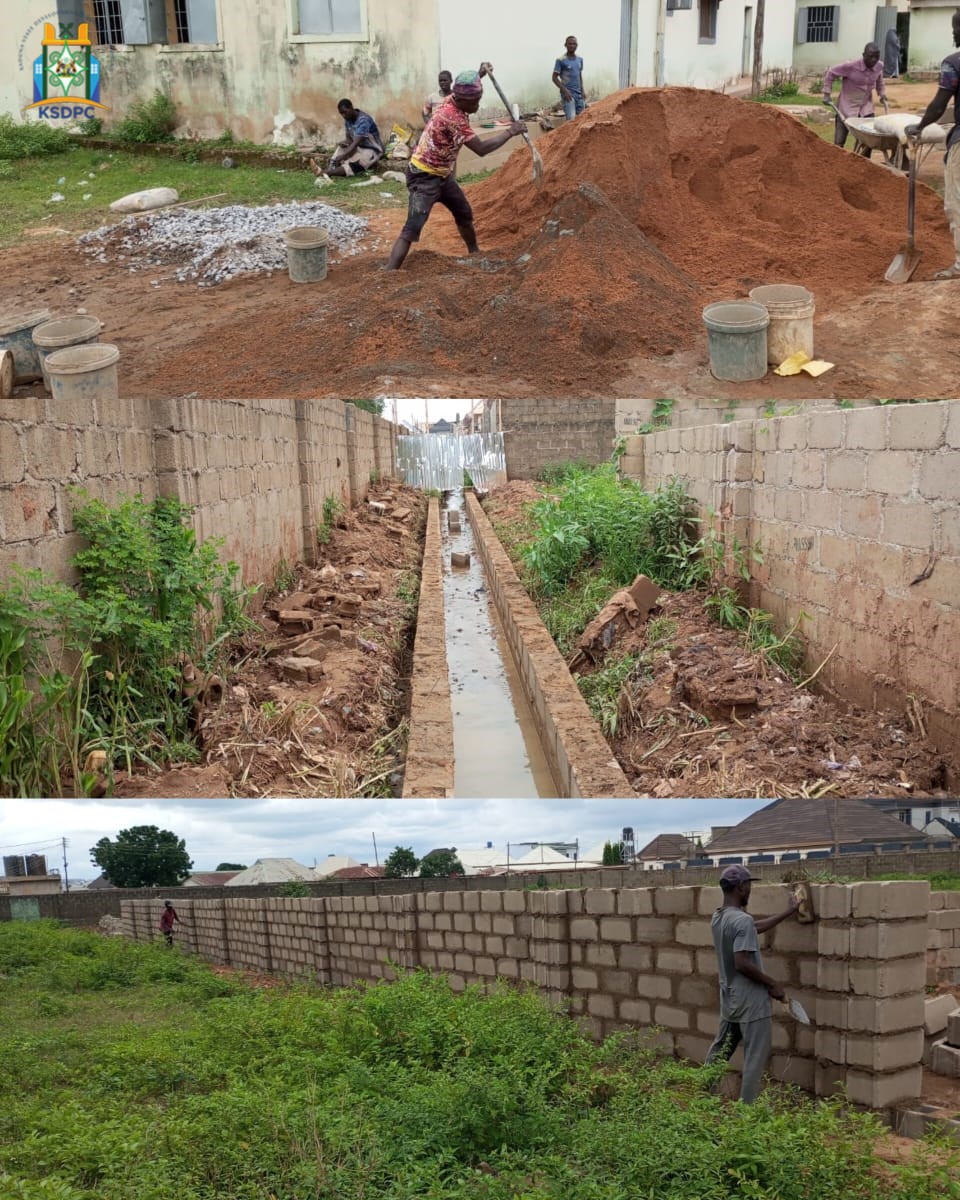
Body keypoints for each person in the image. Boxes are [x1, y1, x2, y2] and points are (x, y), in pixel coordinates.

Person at [386, 65, 527, 271]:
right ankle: (389, 273)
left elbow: (464, 89)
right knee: (412, 227)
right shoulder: (454, 118)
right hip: (423, 177)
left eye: (479, 98)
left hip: (442, 174)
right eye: (475, 101)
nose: (478, 105)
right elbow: (480, 148)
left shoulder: (454, 98)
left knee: (464, 214)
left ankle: (475, 253)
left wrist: (479, 75)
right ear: (462, 100)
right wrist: (510, 132)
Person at [704, 865, 800, 1104]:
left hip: (730, 999)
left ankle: (701, 1097)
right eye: (749, 885)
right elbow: (742, 963)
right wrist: (773, 985)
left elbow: (753, 928)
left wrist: (788, 912)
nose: (751, 890)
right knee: (754, 1060)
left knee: (720, 1052)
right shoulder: (741, 920)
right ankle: (747, 1117)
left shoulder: (719, 916)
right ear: (741, 887)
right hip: (751, 1003)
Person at [906, 10, 960, 280]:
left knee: (956, 202)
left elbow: (939, 104)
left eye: (956, 28)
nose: (953, 33)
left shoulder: (954, 62)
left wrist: (920, 126)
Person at [822, 42, 888, 151]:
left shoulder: (879, 66)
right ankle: (837, 163)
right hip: (846, 108)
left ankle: (863, 162)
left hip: (866, 108)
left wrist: (882, 93)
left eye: (876, 56)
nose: (874, 60)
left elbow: (879, 80)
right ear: (863, 55)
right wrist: (826, 93)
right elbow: (831, 73)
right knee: (839, 142)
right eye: (870, 56)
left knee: (868, 140)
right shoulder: (850, 66)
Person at [310, 99, 383, 180]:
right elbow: (349, 139)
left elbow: (355, 143)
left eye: (345, 112)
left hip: (372, 150)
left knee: (359, 163)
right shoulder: (348, 119)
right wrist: (344, 143)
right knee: (341, 148)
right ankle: (330, 170)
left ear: (351, 107)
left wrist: (343, 156)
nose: (343, 115)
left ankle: (324, 173)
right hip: (359, 147)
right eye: (341, 113)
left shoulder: (363, 120)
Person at [552, 35, 586, 121]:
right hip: (568, 95)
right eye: (570, 44)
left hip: (579, 95)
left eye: (574, 44)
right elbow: (554, 78)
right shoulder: (560, 60)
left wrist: (582, 90)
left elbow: (579, 75)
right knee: (571, 120)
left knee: (581, 119)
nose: (572, 46)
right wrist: (565, 91)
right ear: (565, 45)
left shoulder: (580, 59)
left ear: (577, 45)